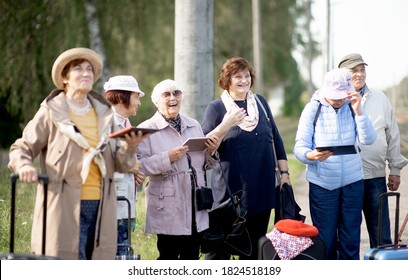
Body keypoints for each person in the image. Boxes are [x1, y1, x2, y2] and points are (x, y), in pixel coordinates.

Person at [8, 47, 145, 260]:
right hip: (63, 204)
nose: (86, 73)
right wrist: (24, 165)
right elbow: (21, 147)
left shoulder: (104, 114)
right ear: (65, 78)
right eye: (78, 69)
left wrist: (130, 146)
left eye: (89, 69)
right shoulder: (51, 111)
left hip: (102, 206)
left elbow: (122, 164)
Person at [201, 57, 291, 260]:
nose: (244, 80)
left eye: (246, 75)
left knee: (254, 249)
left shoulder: (260, 102)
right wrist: (227, 123)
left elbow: (276, 139)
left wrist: (284, 174)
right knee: (219, 251)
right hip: (229, 195)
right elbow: (205, 147)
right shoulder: (216, 108)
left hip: (261, 190)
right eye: (238, 76)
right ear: (227, 80)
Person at [293, 68, 377, 259]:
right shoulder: (312, 109)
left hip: (353, 183)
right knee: (325, 240)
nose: (339, 100)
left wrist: (359, 112)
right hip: (323, 185)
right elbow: (299, 147)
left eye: (342, 96)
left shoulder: (353, 106)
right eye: (335, 96)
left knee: (351, 239)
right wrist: (310, 155)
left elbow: (369, 139)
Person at [136, 79, 220, 260]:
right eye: (166, 94)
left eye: (176, 93)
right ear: (156, 101)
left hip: (195, 202)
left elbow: (203, 165)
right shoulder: (146, 128)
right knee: (169, 256)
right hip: (168, 203)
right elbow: (139, 165)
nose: (172, 97)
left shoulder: (193, 125)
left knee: (192, 255)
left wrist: (211, 152)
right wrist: (168, 158)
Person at [338, 53, 408, 248]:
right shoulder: (335, 98)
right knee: (347, 237)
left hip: (374, 178)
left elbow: (392, 135)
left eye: (362, 69)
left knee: (381, 237)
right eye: (354, 70)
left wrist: (395, 170)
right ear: (342, 73)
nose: (359, 74)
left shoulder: (380, 98)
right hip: (345, 179)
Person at [103, 75, 146, 257]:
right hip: (110, 201)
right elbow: (102, 158)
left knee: (123, 252)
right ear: (122, 97)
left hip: (124, 201)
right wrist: (132, 167)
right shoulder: (106, 123)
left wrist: (135, 170)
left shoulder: (125, 123)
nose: (138, 103)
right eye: (137, 97)